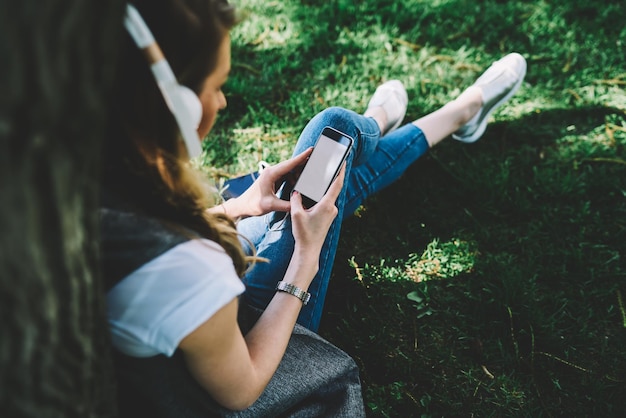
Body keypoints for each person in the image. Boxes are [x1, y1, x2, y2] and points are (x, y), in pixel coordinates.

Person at [101, 0, 527, 416]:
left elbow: (146, 240)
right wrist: (307, 256)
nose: (223, 102)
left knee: (325, 178)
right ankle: (429, 117)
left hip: (185, 328)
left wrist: (236, 208)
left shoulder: (75, 181)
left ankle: (408, 122)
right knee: (335, 134)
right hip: (229, 362)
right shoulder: (181, 270)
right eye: (216, 87)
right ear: (178, 107)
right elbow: (243, 389)